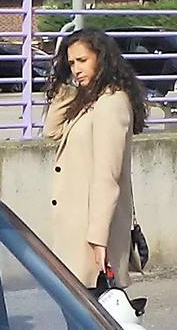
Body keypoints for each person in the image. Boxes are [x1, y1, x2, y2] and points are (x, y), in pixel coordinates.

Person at [42, 27, 146, 291]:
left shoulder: (111, 104)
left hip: (92, 236)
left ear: (102, 58)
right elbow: (52, 131)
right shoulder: (91, 101)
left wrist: (98, 240)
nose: (76, 69)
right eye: (71, 63)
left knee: (91, 321)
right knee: (80, 322)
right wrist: (67, 89)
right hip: (77, 231)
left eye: (83, 60)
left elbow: (107, 177)